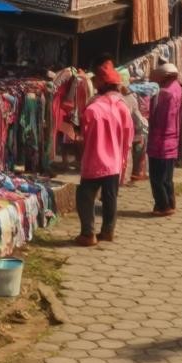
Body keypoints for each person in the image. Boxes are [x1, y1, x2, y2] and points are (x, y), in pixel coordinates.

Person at [75, 63, 134, 247]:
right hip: (114, 162)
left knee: (85, 195)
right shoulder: (122, 106)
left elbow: (83, 133)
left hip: (94, 160)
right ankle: (108, 231)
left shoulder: (92, 107)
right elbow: (128, 135)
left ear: (100, 83)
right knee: (110, 198)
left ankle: (88, 234)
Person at [147, 61, 182, 217]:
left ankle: (163, 205)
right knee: (168, 177)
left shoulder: (164, 93)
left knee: (156, 177)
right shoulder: (178, 89)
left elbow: (159, 119)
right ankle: (170, 202)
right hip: (173, 139)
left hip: (160, 140)